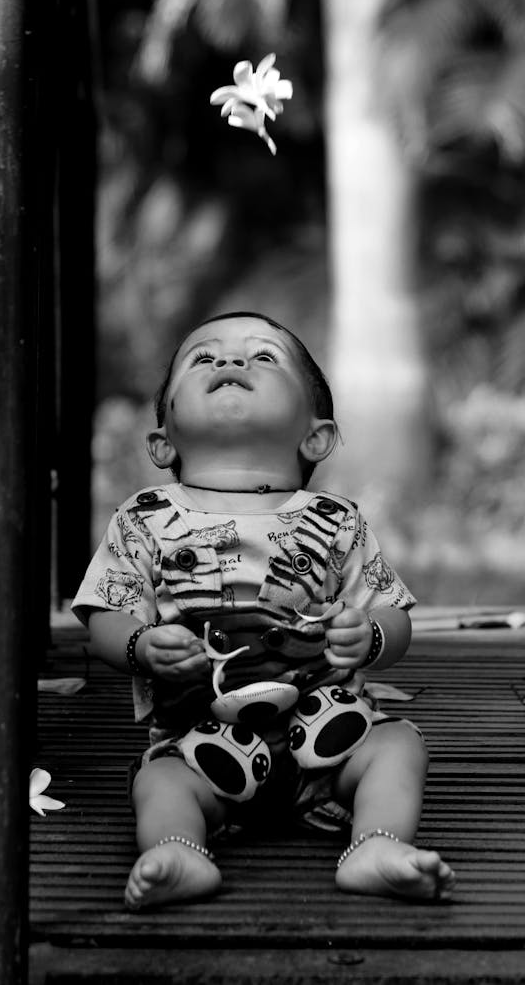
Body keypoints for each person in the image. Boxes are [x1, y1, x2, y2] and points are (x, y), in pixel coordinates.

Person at [72, 312, 456, 910]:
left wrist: (371, 636)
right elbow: (104, 614)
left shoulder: (337, 521)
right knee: (159, 779)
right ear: (163, 441)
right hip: (203, 745)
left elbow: (394, 614)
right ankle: (178, 850)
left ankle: (375, 845)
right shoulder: (143, 518)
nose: (229, 363)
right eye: (203, 359)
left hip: (331, 744)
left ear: (315, 436)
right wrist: (141, 645)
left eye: (262, 357)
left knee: (400, 744)